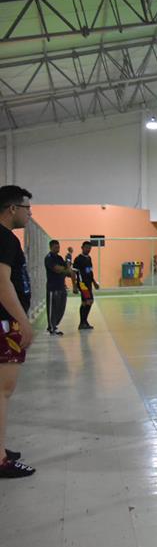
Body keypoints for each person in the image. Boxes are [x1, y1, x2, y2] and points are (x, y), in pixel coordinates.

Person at [0, 186, 35, 477]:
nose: (29, 213)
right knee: (3, 391)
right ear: (12, 209)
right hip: (4, 323)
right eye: (27, 208)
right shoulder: (5, 239)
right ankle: (0, 460)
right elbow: (2, 283)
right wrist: (23, 321)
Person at [45, 240, 72, 336]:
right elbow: (57, 269)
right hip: (53, 288)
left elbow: (68, 271)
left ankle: (54, 325)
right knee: (53, 308)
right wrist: (66, 269)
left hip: (61, 287)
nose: (58, 248)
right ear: (51, 247)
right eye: (56, 247)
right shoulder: (49, 258)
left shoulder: (59, 258)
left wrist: (69, 258)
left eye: (58, 247)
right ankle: (52, 327)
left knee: (61, 308)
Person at [72, 241, 99, 330]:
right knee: (89, 300)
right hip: (82, 283)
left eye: (89, 248)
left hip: (88, 283)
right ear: (82, 247)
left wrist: (94, 282)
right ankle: (82, 322)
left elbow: (90, 272)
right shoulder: (78, 259)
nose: (88, 249)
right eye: (86, 247)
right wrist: (74, 285)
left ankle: (84, 322)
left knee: (85, 302)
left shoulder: (89, 258)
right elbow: (73, 272)